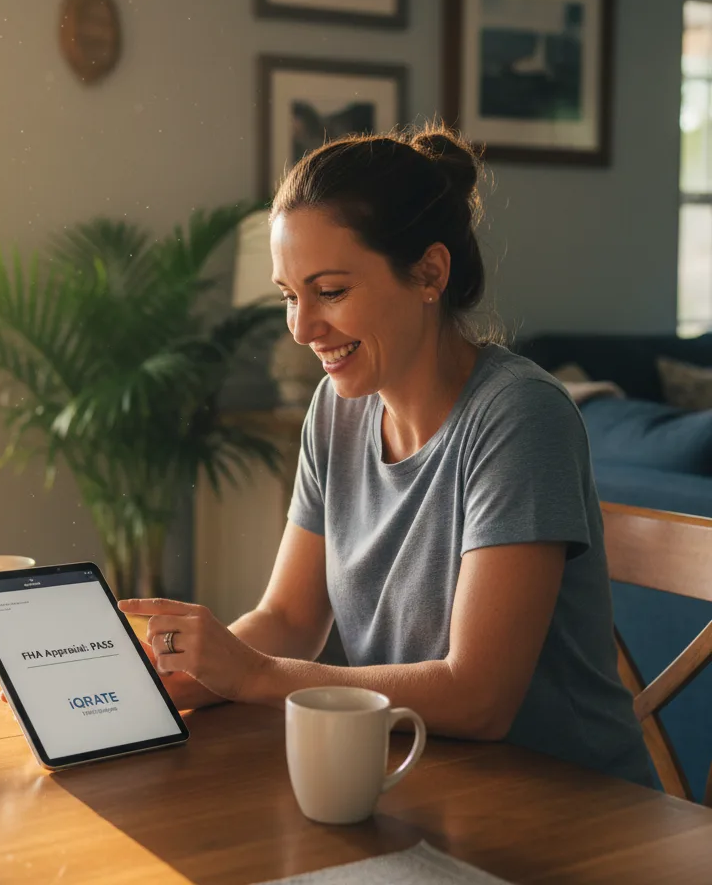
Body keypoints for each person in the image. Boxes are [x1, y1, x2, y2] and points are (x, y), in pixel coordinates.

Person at [118, 124, 655, 788]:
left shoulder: (520, 417)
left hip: (576, 808)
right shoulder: (337, 409)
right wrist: (172, 678)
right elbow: (288, 619)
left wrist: (254, 675)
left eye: (330, 291)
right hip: (422, 783)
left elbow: (479, 697)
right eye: (289, 295)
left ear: (430, 273)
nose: (301, 328)